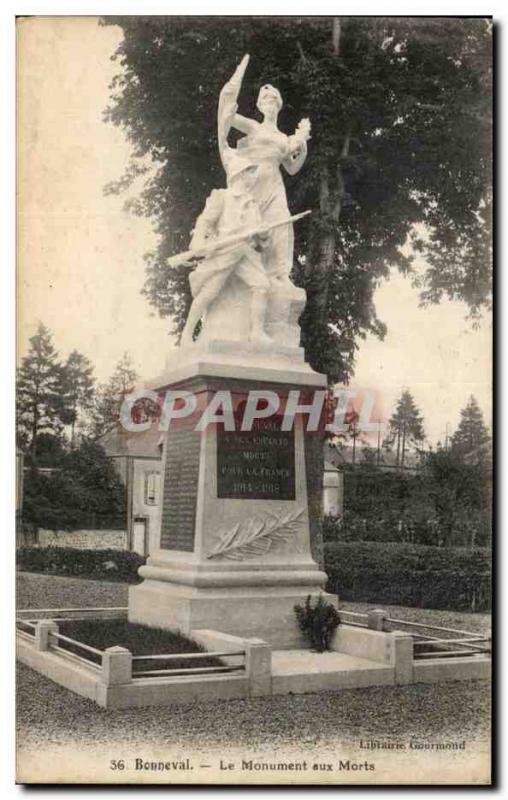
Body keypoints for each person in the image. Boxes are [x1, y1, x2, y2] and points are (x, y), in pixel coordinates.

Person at [217, 55, 311, 283]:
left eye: (273, 101)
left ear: (278, 106)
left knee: (281, 222)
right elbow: (227, 118)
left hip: (274, 183)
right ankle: (242, 271)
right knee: (249, 224)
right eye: (266, 101)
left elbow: (291, 169)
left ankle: (279, 274)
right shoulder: (254, 127)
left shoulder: (283, 138)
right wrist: (228, 103)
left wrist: (303, 150)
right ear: (260, 106)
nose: (270, 104)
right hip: (253, 181)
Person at [180, 152, 272, 347]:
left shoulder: (252, 203)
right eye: (250, 172)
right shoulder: (222, 196)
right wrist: (197, 242)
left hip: (245, 251)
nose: (253, 176)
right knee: (209, 292)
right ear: (239, 174)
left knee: (261, 286)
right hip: (226, 249)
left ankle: (257, 333)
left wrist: (263, 234)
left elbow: (260, 237)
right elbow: (205, 221)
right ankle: (187, 335)